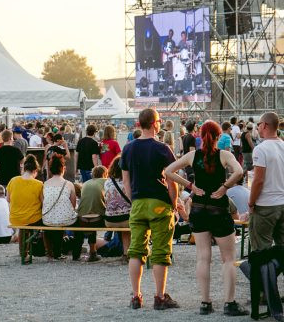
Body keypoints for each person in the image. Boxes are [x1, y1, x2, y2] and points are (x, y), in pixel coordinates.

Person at [165, 120, 248, 316]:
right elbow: (238, 171)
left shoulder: (193, 155)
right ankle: (229, 303)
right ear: (219, 136)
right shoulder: (224, 155)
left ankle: (205, 303)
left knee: (203, 257)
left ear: (200, 136)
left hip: (199, 208)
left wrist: (190, 186)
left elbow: (168, 171)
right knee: (228, 259)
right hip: (218, 207)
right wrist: (225, 187)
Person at [121, 108, 179, 311]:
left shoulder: (128, 148)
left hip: (137, 203)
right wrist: (174, 203)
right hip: (159, 203)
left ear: (139, 124)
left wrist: (133, 200)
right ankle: (160, 297)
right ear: (155, 123)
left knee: (136, 251)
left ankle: (136, 296)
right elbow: (172, 181)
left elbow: (126, 181)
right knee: (161, 251)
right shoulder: (162, 148)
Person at [249, 112, 284, 251]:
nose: (257, 128)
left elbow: (258, 180)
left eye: (258, 125)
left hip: (265, 205)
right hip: (282, 202)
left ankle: (264, 273)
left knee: (261, 250)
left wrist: (251, 202)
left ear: (264, 125)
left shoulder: (260, 149)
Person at [42, 154, 77, 260]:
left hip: (47, 219)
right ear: (63, 168)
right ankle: (76, 253)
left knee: (54, 218)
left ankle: (51, 252)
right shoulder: (69, 184)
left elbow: (43, 202)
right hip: (65, 219)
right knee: (67, 217)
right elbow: (73, 204)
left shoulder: (45, 184)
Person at [73, 165, 107, 262]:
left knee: (88, 216)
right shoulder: (106, 182)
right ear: (104, 174)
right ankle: (93, 253)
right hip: (98, 220)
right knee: (96, 215)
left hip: (82, 219)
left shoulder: (86, 183)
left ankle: (76, 255)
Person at [104, 155, 131, 260]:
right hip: (126, 218)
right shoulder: (129, 182)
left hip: (110, 220)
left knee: (124, 228)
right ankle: (129, 253)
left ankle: (125, 253)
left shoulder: (107, 182)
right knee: (129, 223)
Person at [6, 154, 43, 226]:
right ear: (35, 170)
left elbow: (8, 199)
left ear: (24, 168)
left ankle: (18, 235)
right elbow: (43, 203)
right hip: (33, 220)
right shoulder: (39, 184)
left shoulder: (13, 180)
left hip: (15, 219)